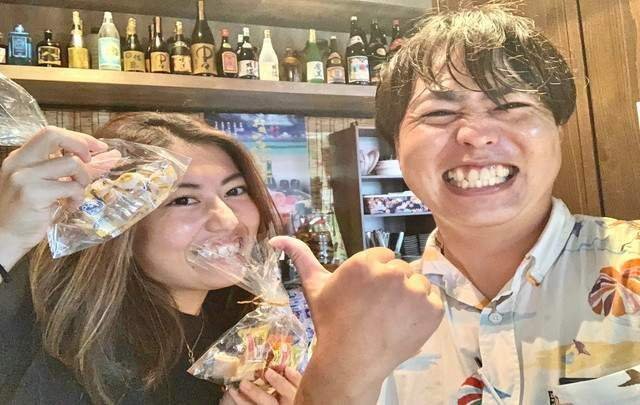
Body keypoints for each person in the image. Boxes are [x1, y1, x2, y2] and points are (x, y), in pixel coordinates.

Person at [272, 3, 640, 404]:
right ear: (396, 146)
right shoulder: (364, 315)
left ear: (558, 130)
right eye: (440, 112)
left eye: (511, 106)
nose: (476, 134)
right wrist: (336, 373)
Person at [0, 113, 301, 404]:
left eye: (235, 190)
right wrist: (8, 235)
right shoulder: (56, 341)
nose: (227, 220)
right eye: (184, 200)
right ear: (118, 221)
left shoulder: (247, 334)